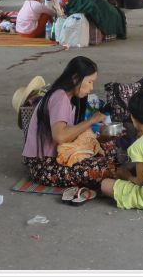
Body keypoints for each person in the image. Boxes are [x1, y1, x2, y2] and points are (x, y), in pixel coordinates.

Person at [22, 56, 115, 188]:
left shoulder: (69, 98)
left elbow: (72, 135)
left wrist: (100, 138)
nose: (91, 88)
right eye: (89, 82)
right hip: (44, 165)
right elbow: (60, 136)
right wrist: (92, 120)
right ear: (75, 78)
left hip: (59, 157)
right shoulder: (60, 97)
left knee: (109, 148)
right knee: (103, 170)